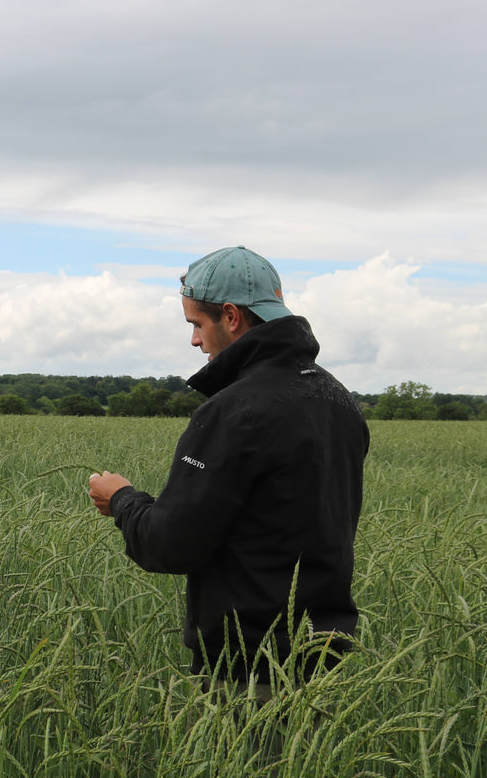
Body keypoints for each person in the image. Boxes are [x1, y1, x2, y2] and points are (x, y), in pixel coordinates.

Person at [88, 246, 368, 689]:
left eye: (197, 324)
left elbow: (171, 544)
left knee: (243, 762)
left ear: (232, 317)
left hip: (247, 670)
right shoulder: (338, 399)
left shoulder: (234, 410)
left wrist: (122, 499)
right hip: (322, 663)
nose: (195, 341)